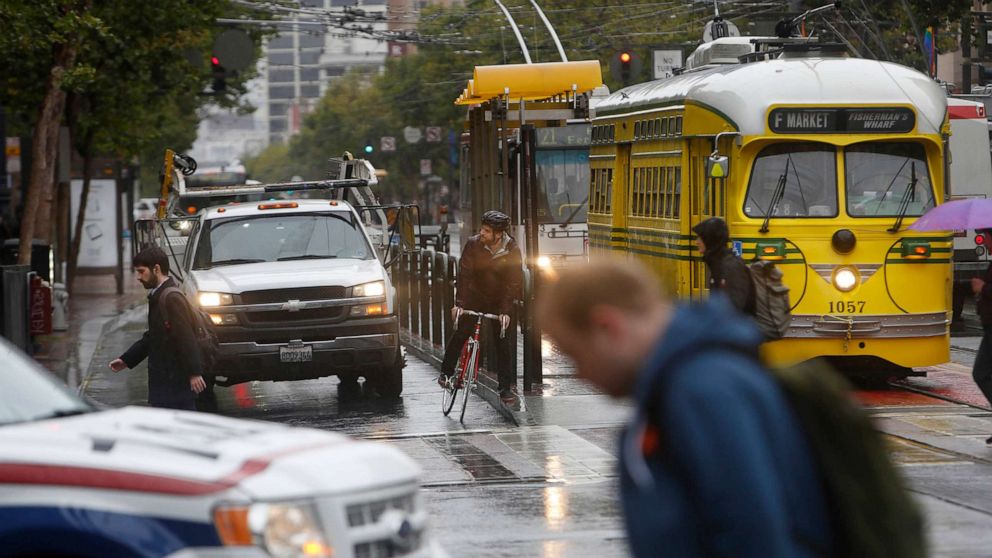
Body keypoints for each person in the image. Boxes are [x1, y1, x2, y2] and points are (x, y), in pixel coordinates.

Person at [536, 258, 832, 557]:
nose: (579, 374)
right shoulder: (686, 384)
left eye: (575, 355)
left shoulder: (702, 392)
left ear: (608, 326)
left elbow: (752, 535)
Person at [440, 210, 523, 404]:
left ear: (499, 234)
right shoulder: (473, 244)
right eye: (482, 229)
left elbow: (513, 283)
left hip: (498, 300)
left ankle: (505, 389)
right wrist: (459, 305)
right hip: (474, 296)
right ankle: (445, 373)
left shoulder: (512, 250)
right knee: (461, 332)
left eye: (486, 231)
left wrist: (504, 311)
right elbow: (464, 275)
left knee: (503, 341)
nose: (482, 233)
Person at [109, 246, 206, 410]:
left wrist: (194, 373)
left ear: (156, 269)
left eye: (141, 271)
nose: (138, 277)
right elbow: (153, 336)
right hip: (166, 383)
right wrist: (127, 359)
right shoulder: (159, 295)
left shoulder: (170, 298)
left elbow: (186, 337)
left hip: (174, 384)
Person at [692, 216, 755, 315]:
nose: (697, 242)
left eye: (700, 238)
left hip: (737, 328)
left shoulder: (731, 266)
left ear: (710, 240)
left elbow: (734, 308)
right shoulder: (716, 263)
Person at [971, 228, 992, 444]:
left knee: (981, 374)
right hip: (989, 326)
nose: (984, 241)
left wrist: (983, 287)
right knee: (983, 374)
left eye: (986, 237)